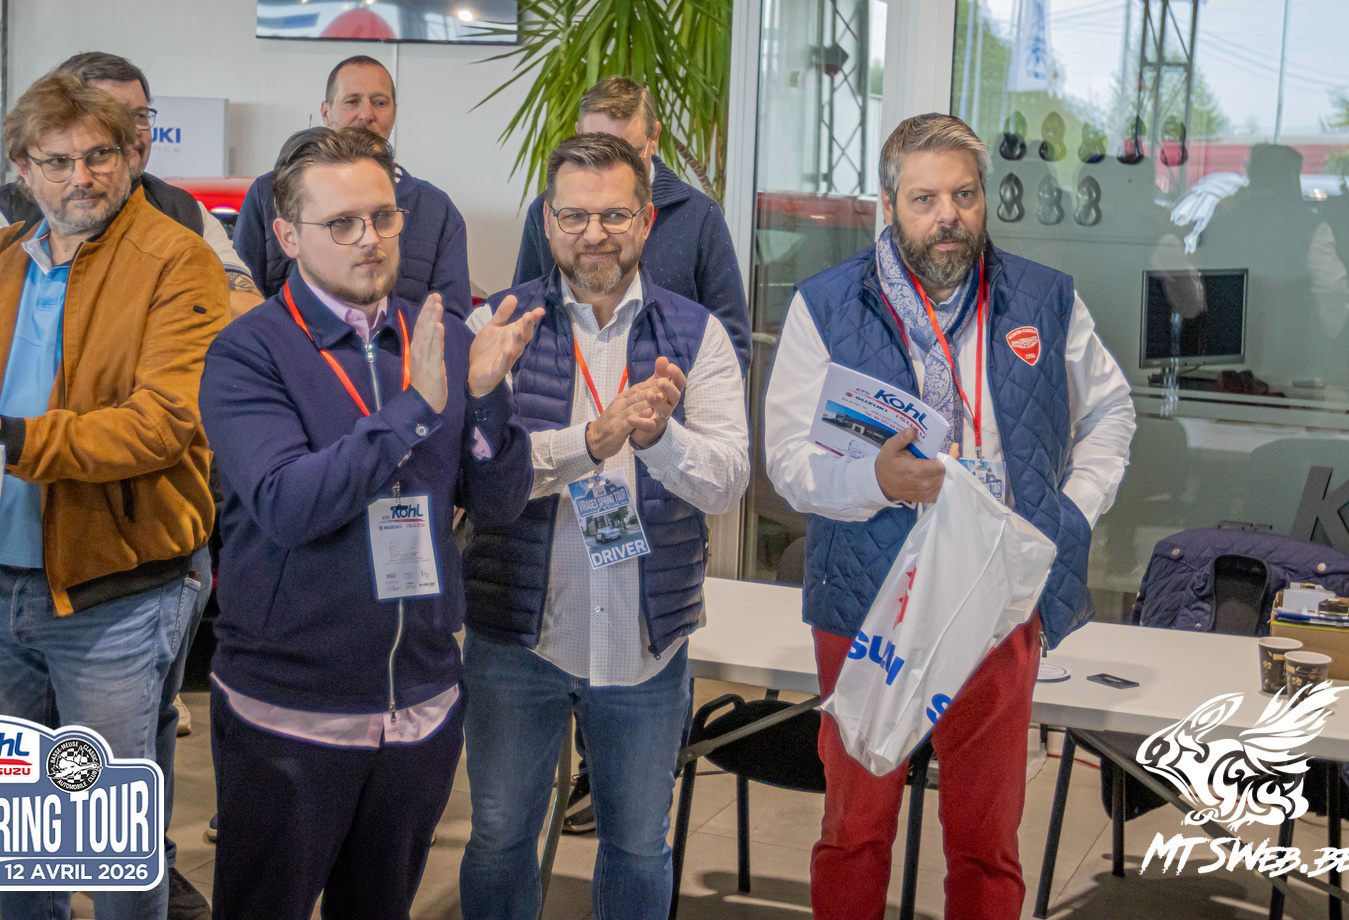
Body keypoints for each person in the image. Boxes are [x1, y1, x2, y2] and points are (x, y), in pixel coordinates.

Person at [762, 113, 1135, 920]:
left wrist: (1069, 513)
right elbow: (787, 461)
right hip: (868, 597)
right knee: (855, 830)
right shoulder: (826, 304)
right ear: (889, 204)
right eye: (925, 198)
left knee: (987, 841)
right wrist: (877, 479)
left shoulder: (1043, 297)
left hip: (997, 595)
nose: (948, 216)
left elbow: (1112, 411)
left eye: (964, 195)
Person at [0, 71, 226, 920]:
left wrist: (14, 437)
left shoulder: (177, 259)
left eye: (100, 155)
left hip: (115, 594)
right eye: (59, 161)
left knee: (111, 836)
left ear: (130, 155)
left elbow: (162, 424)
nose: (84, 177)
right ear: (22, 170)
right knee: (19, 828)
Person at [199, 126, 537, 919]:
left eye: (383, 217)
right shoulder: (248, 352)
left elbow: (496, 503)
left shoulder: (440, 335)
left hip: (418, 707)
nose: (370, 239)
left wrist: (486, 396)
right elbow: (288, 504)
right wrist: (415, 408)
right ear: (288, 236)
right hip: (292, 711)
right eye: (342, 223)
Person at [458, 133, 750, 920]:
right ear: (547, 222)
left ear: (647, 220)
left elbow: (728, 482)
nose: (595, 234)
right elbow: (477, 481)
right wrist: (590, 441)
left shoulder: (698, 334)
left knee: (639, 846)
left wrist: (660, 440)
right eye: (575, 216)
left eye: (615, 215)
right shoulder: (495, 325)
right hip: (516, 639)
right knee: (499, 838)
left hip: (646, 643)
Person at [0, 51, 263, 319]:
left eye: (140, 116)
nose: (132, 133)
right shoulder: (0, 216)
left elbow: (245, 308)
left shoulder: (184, 210)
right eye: (111, 117)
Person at [511, 76, 750, 370]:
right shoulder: (547, 211)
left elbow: (731, 341)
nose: (612, 168)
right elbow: (522, 314)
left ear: (654, 138)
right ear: (577, 136)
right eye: (596, 149)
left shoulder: (699, 215)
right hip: (565, 388)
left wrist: (672, 391)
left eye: (630, 153)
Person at [231, 55, 471, 315]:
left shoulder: (436, 209)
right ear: (326, 112)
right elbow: (240, 298)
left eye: (380, 102)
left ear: (394, 113)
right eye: (352, 101)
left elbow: (451, 319)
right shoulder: (268, 194)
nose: (366, 114)